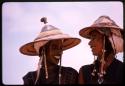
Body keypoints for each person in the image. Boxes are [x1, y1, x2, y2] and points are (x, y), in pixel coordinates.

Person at [19, 17, 81, 85]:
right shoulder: (30, 78)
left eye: (60, 48)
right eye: (54, 47)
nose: (60, 52)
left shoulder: (70, 74)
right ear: (41, 51)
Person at [78, 16, 123, 84]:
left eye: (94, 38)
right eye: (90, 39)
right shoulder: (85, 71)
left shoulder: (121, 69)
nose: (89, 43)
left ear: (107, 40)